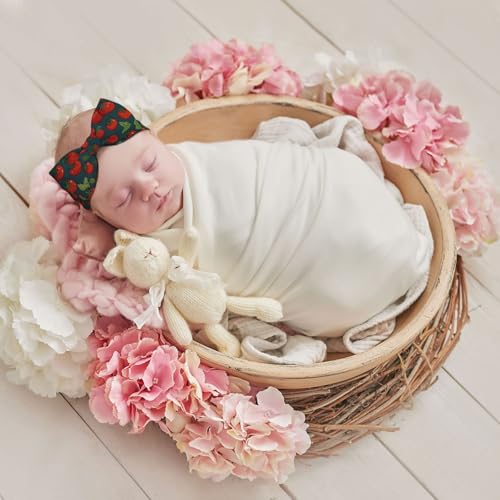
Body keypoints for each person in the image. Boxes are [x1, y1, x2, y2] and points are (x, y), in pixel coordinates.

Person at [51, 97, 432, 358]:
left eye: (150, 163)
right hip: (317, 276)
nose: (150, 188)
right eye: (124, 199)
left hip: (326, 189)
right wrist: (105, 239)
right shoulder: (147, 249)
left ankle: (376, 234)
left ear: (158, 141)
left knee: (342, 177)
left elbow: (257, 161)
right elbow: (185, 295)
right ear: (107, 218)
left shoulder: (199, 158)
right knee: (333, 291)